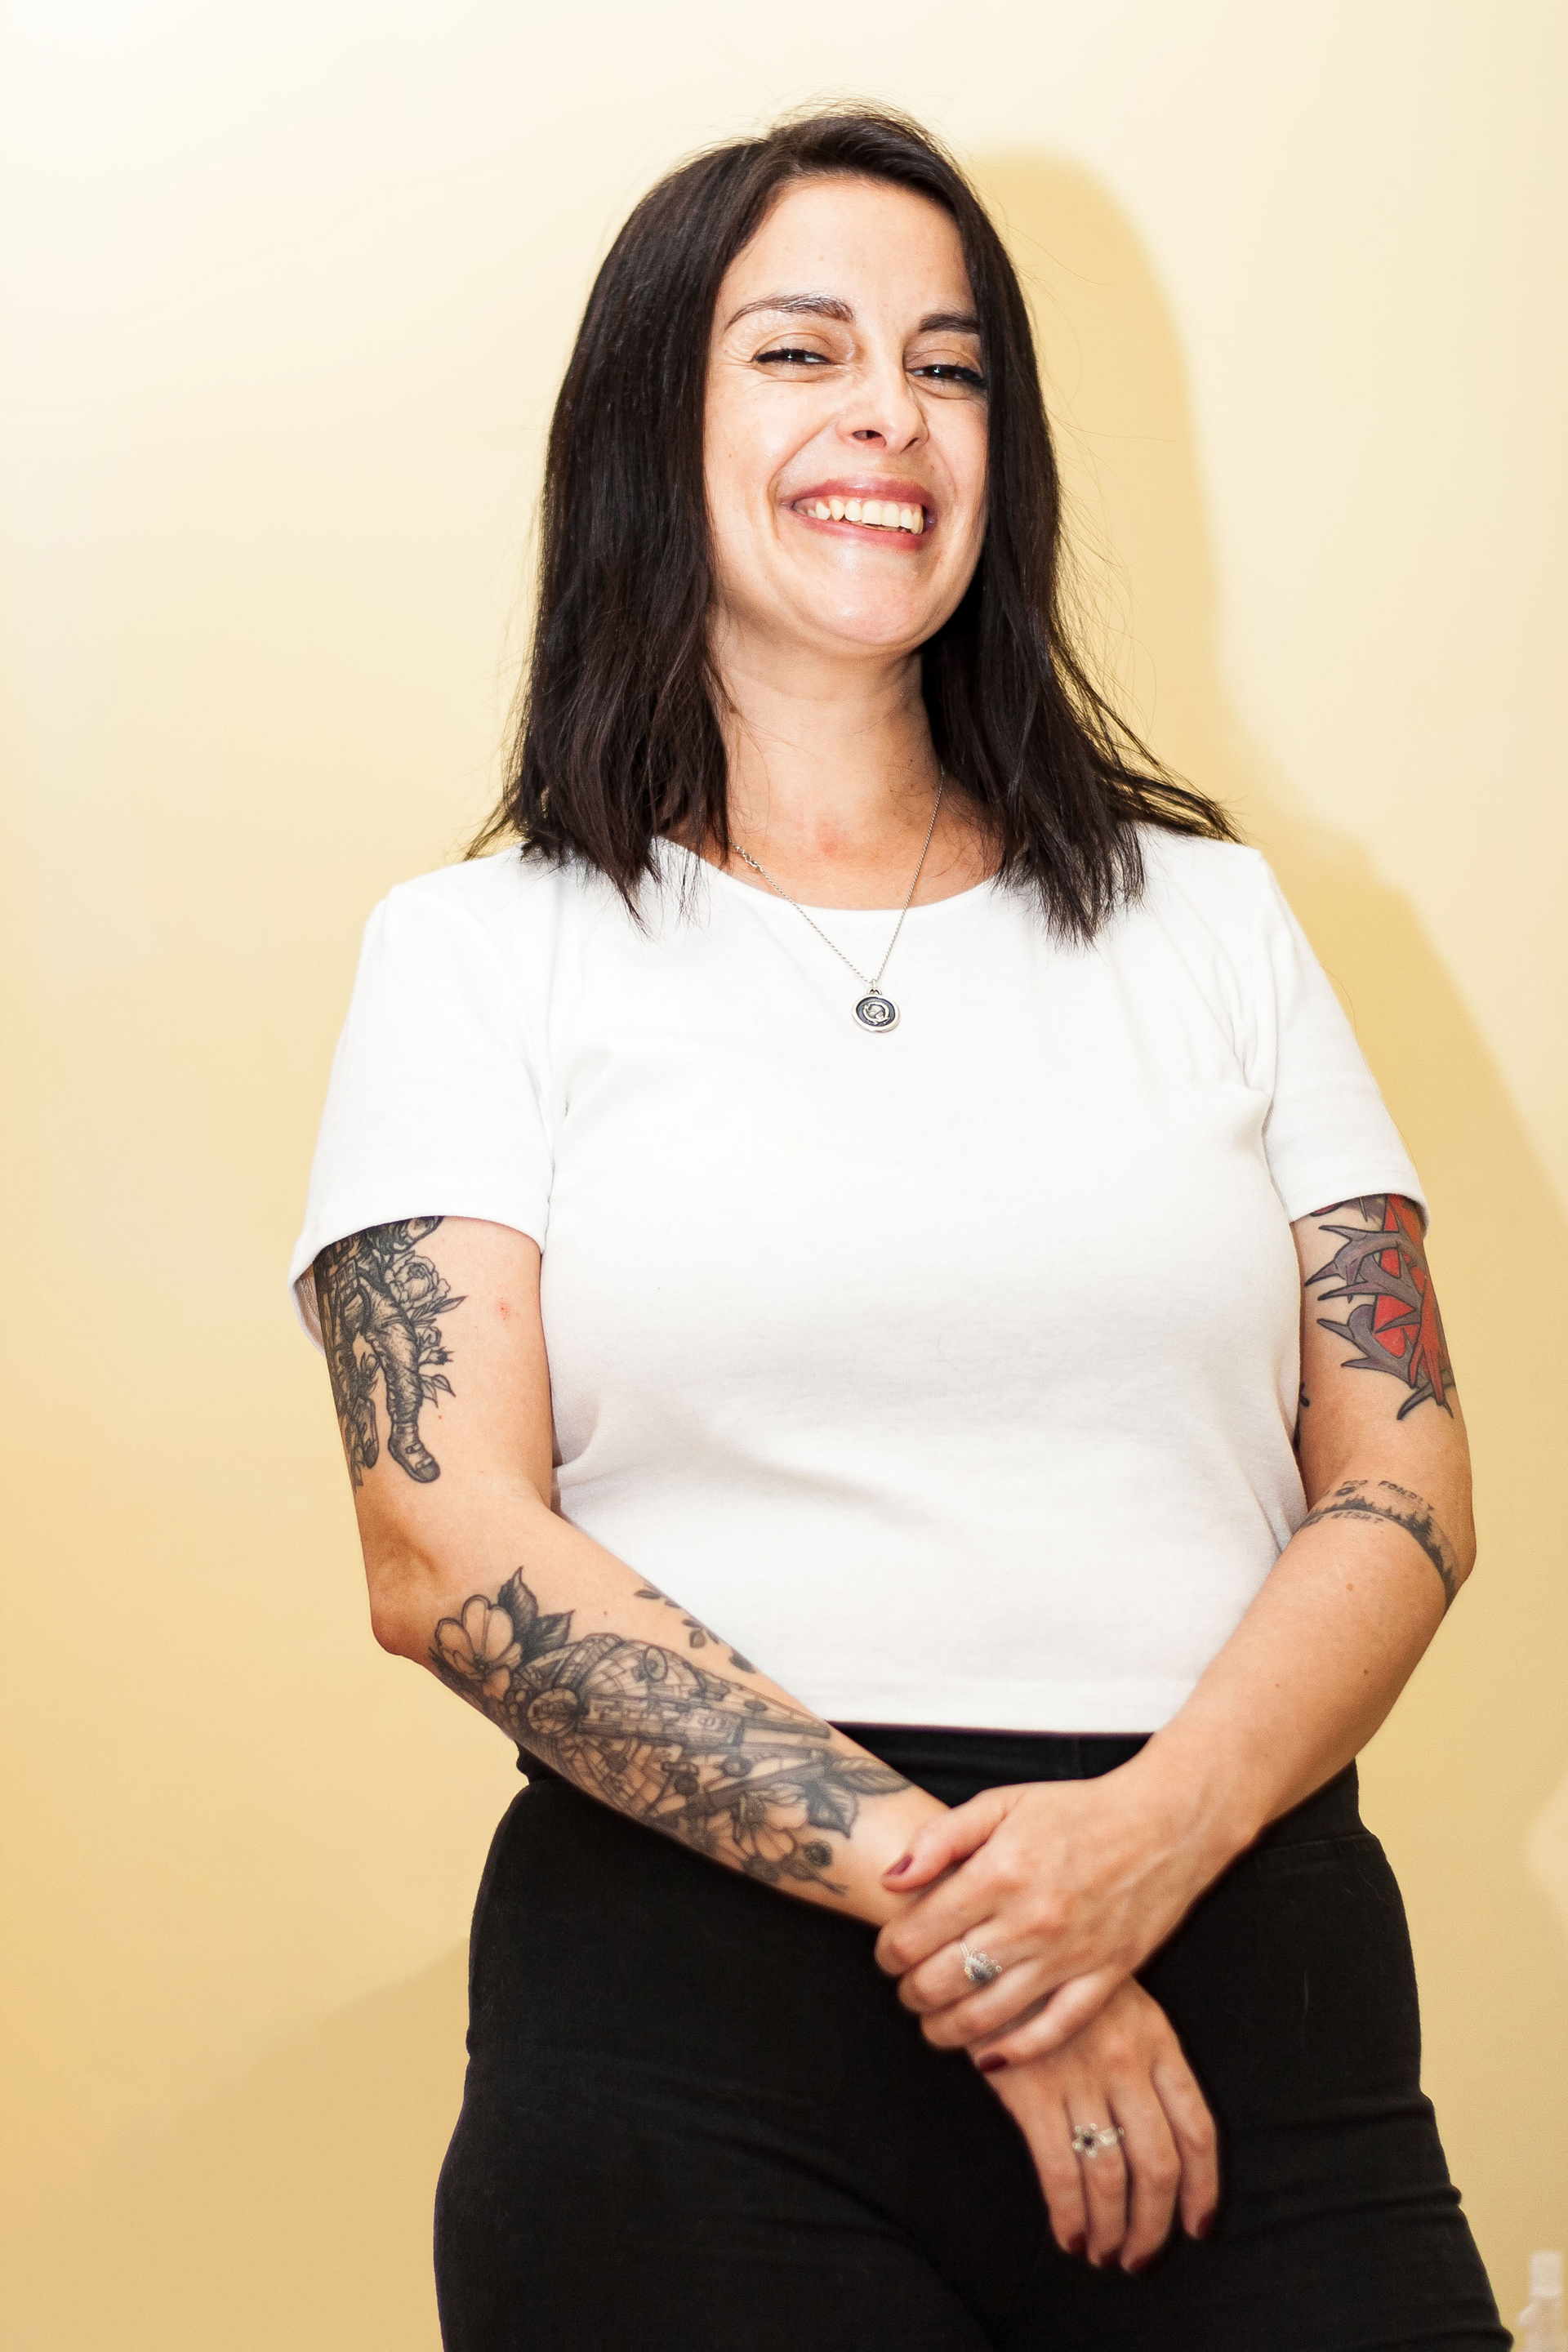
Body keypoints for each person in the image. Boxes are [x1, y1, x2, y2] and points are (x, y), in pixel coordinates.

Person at [290, 107, 1506, 2352]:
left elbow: (1407, 1475)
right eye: (802, 352)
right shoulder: (476, 955)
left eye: (950, 367)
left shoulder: (1220, 924)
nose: (891, 416)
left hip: (1248, 1973)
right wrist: (1000, 1927)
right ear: (652, 424)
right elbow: (439, 1544)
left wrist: (1145, 1843)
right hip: (694, 2040)